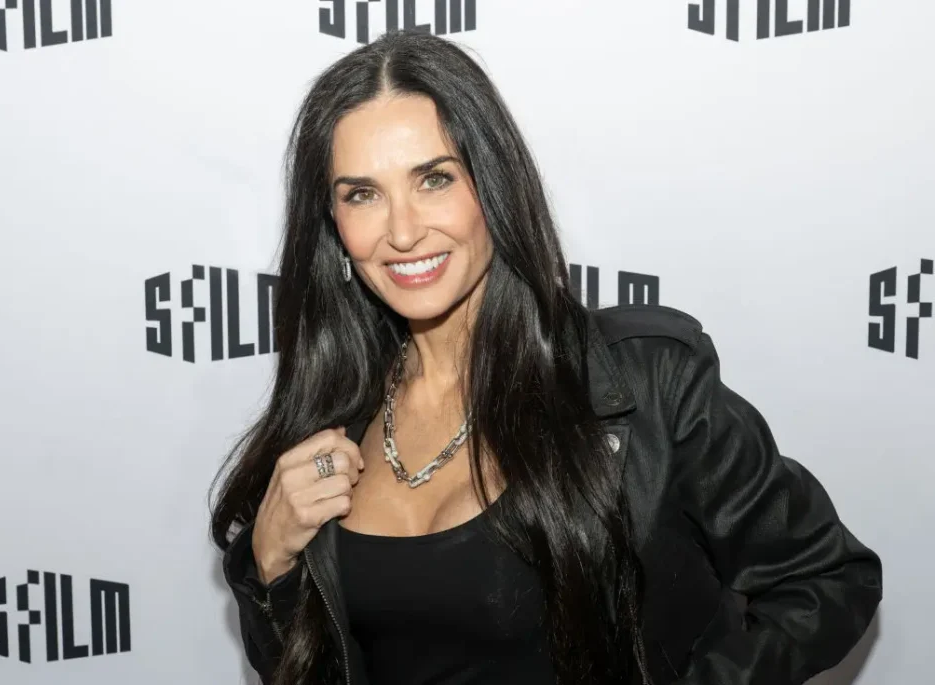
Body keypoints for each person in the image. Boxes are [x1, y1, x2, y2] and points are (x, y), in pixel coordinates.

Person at [209, 29, 882, 685]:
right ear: (334, 224)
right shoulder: (327, 422)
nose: (405, 229)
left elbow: (826, 580)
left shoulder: (641, 382)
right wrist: (271, 566)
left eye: (435, 178)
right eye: (363, 194)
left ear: (492, 187)